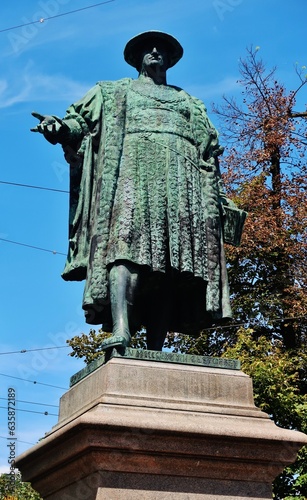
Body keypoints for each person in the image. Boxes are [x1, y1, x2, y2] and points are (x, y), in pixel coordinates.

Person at [32, 31, 245, 352]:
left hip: (181, 185)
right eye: (148, 48)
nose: (156, 51)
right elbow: (80, 123)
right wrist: (60, 128)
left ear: (170, 60)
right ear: (137, 58)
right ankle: (121, 329)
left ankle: (156, 347)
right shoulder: (113, 91)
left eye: (162, 49)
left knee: (169, 266)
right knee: (124, 248)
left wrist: (214, 196)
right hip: (130, 177)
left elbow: (208, 152)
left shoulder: (189, 102)